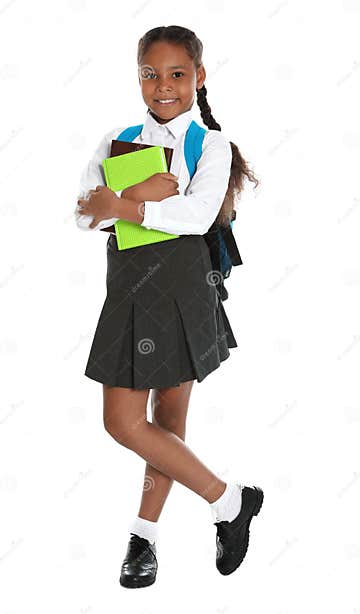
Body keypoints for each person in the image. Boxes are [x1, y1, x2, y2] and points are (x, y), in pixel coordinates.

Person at [75, 25, 263, 589]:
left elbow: (197, 216)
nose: (163, 87)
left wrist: (127, 206)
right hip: (129, 288)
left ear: (198, 77)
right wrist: (139, 198)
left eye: (177, 75)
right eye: (150, 75)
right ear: (138, 77)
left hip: (184, 289)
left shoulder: (213, 145)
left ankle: (144, 536)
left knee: (167, 423)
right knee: (125, 422)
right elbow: (84, 212)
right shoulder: (117, 137)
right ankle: (229, 501)